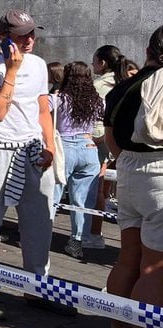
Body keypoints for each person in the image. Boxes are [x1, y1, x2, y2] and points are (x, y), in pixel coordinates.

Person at [0, 10, 66, 321]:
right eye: (23, 35)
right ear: (5, 37)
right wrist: (11, 71)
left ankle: (36, 288)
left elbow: (42, 109)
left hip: (32, 149)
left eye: (32, 34)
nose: (30, 40)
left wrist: (50, 145)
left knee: (39, 224)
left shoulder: (39, 65)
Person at [103, 25, 163, 328]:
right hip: (159, 172)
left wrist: (126, 162)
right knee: (155, 270)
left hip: (127, 169)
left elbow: (110, 133)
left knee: (129, 258)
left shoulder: (126, 85)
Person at [52, 62, 105, 260]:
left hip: (64, 147)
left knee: (53, 196)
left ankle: (41, 236)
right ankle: (76, 242)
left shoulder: (58, 99)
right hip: (89, 148)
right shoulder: (96, 101)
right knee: (82, 200)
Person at [89, 45, 127, 245]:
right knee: (102, 188)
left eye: (94, 61)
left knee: (96, 188)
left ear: (102, 63)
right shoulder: (123, 82)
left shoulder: (100, 85)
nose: (92, 64)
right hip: (114, 140)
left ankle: (92, 233)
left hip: (97, 138)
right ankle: (95, 233)